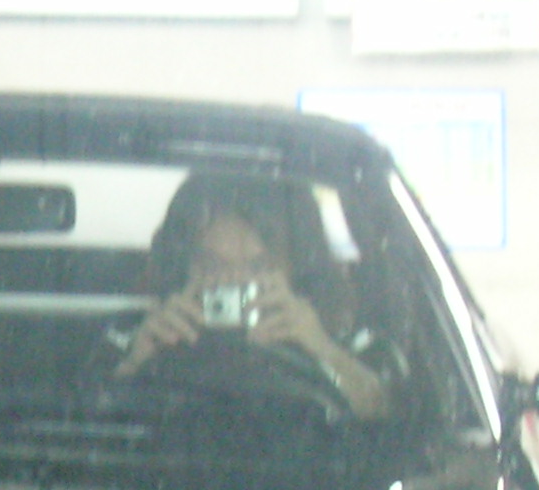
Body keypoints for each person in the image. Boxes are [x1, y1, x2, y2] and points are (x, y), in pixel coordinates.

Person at [112, 171, 387, 419]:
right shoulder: (130, 339)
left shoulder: (350, 343)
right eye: (212, 266)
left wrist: (323, 350)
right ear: (180, 270)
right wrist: (136, 365)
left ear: (300, 274)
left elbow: (385, 428)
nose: (235, 282)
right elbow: (100, 431)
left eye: (259, 268)